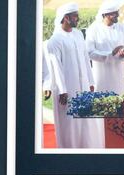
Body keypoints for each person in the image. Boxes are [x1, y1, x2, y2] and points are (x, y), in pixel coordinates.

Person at [47, 3, 102, 148]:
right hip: (67, 88)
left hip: (83, 84)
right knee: (70, 122)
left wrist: (90, 81)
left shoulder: (78, 34)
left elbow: (85, 59)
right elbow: (56, 67)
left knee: (84, 119)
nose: (78, 18)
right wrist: (62, 90)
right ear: (66, 18)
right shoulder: (56, 40)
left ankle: (86, 147)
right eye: (75, 16)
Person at [86, 0, 124, 94]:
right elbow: (90, 53)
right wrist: (110, 54)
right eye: (115, 13)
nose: (118, 15)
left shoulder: (122, 28)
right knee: (101, 100)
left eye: (117, 12)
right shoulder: (93, 29)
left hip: (119, 73)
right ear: (106, 14)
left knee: (119, 99)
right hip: (101, 74)